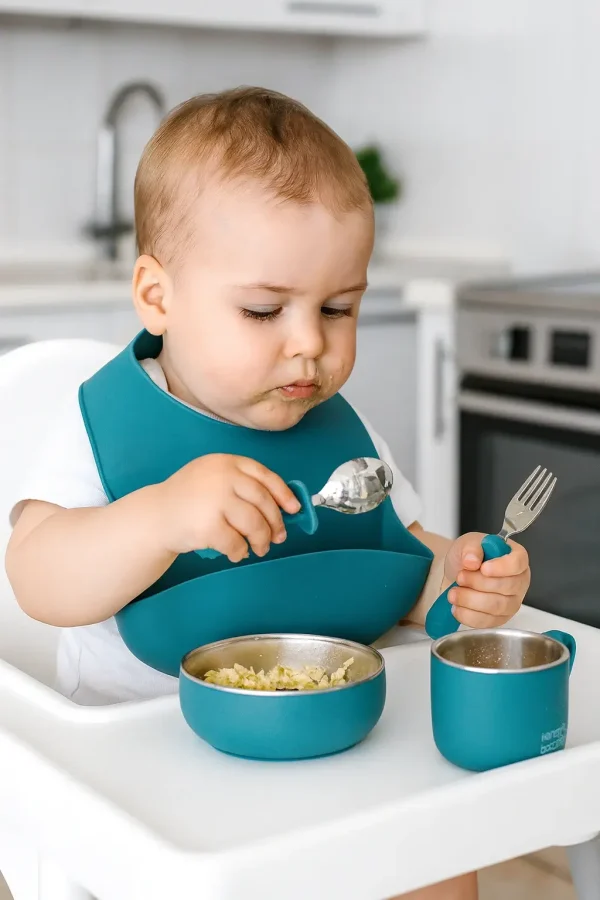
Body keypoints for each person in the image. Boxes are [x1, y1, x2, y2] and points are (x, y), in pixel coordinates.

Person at [5, 87, 531, 900]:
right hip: (157, 778)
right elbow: (38, 577)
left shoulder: (342, 434)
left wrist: (460, 579)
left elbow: (395, 561)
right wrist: (161, 516)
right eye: (263, 309)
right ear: (157, 297)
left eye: (339, 307)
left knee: (435, 855)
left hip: (335, 748)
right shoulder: (105, 425)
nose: (310, 344)